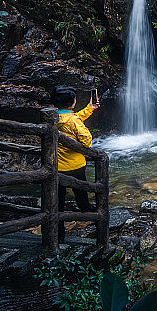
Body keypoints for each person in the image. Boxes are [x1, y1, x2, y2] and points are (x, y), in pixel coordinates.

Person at [51, 86, 99, 242]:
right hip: (75, 166)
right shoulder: (73, 120)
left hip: (57, 166)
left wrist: (89, 109)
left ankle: (59, 235)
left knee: (58, 201)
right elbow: (87, 140)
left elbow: (71, 120)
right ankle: (94, 220)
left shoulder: (53, 117)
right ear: (72, 102)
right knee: (81, 194)